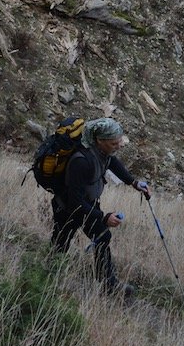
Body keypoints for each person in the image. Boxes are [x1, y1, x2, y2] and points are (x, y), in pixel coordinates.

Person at [50, 117, 151, 296]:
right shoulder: (81, 161)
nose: (119, 145)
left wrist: (133, 183)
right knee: (61, 243)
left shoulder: (102, 153)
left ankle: (108, 285)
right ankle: (48, 280)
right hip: (66, 208)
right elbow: (75, 201)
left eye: (119, 141)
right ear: (100, 141)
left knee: (102, 235)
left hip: (87, 205)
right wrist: (103, 217)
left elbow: (113, 163)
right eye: (114, 143)